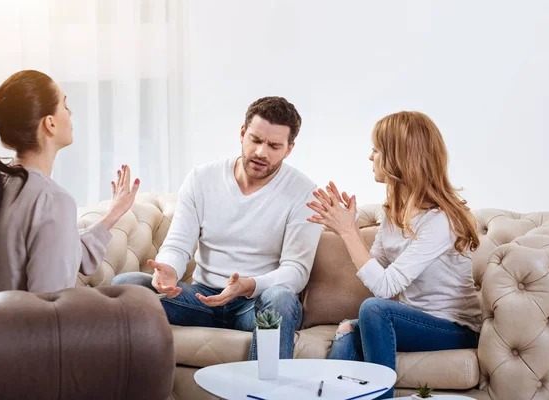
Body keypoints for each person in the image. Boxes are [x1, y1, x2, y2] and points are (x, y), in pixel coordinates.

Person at [112, 96, 322, 360]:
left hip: (254, 304)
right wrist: (169, 269)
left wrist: (247, 285)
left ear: (289, 149)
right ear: (243, 133)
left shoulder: (304, 193)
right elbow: (178, 244)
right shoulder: (202, 178)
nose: (261, 153)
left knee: (280, 299)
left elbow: (296, 271)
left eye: (274, 146)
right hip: (201, 300)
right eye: (256, 140)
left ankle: (263, 394)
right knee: (126, 285)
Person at [307, 111, 481, 398]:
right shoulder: (393, 212)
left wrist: (349, 233)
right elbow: (376, 270)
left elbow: (384, 289)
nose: (370, 157)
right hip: (411, 320)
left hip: (454, 327)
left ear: (400, 157)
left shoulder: (440, 220)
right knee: (348, 330)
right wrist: (345, 228)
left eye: (376, 150)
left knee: (374, 309)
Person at [0, 70, 139, 294]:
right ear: (49, 123)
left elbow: (62, 249)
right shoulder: (52, 200)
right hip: (23, 329)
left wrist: (113, 214)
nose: (70, 114)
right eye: (65, 105)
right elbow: (51, 308)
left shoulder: (1, 184)